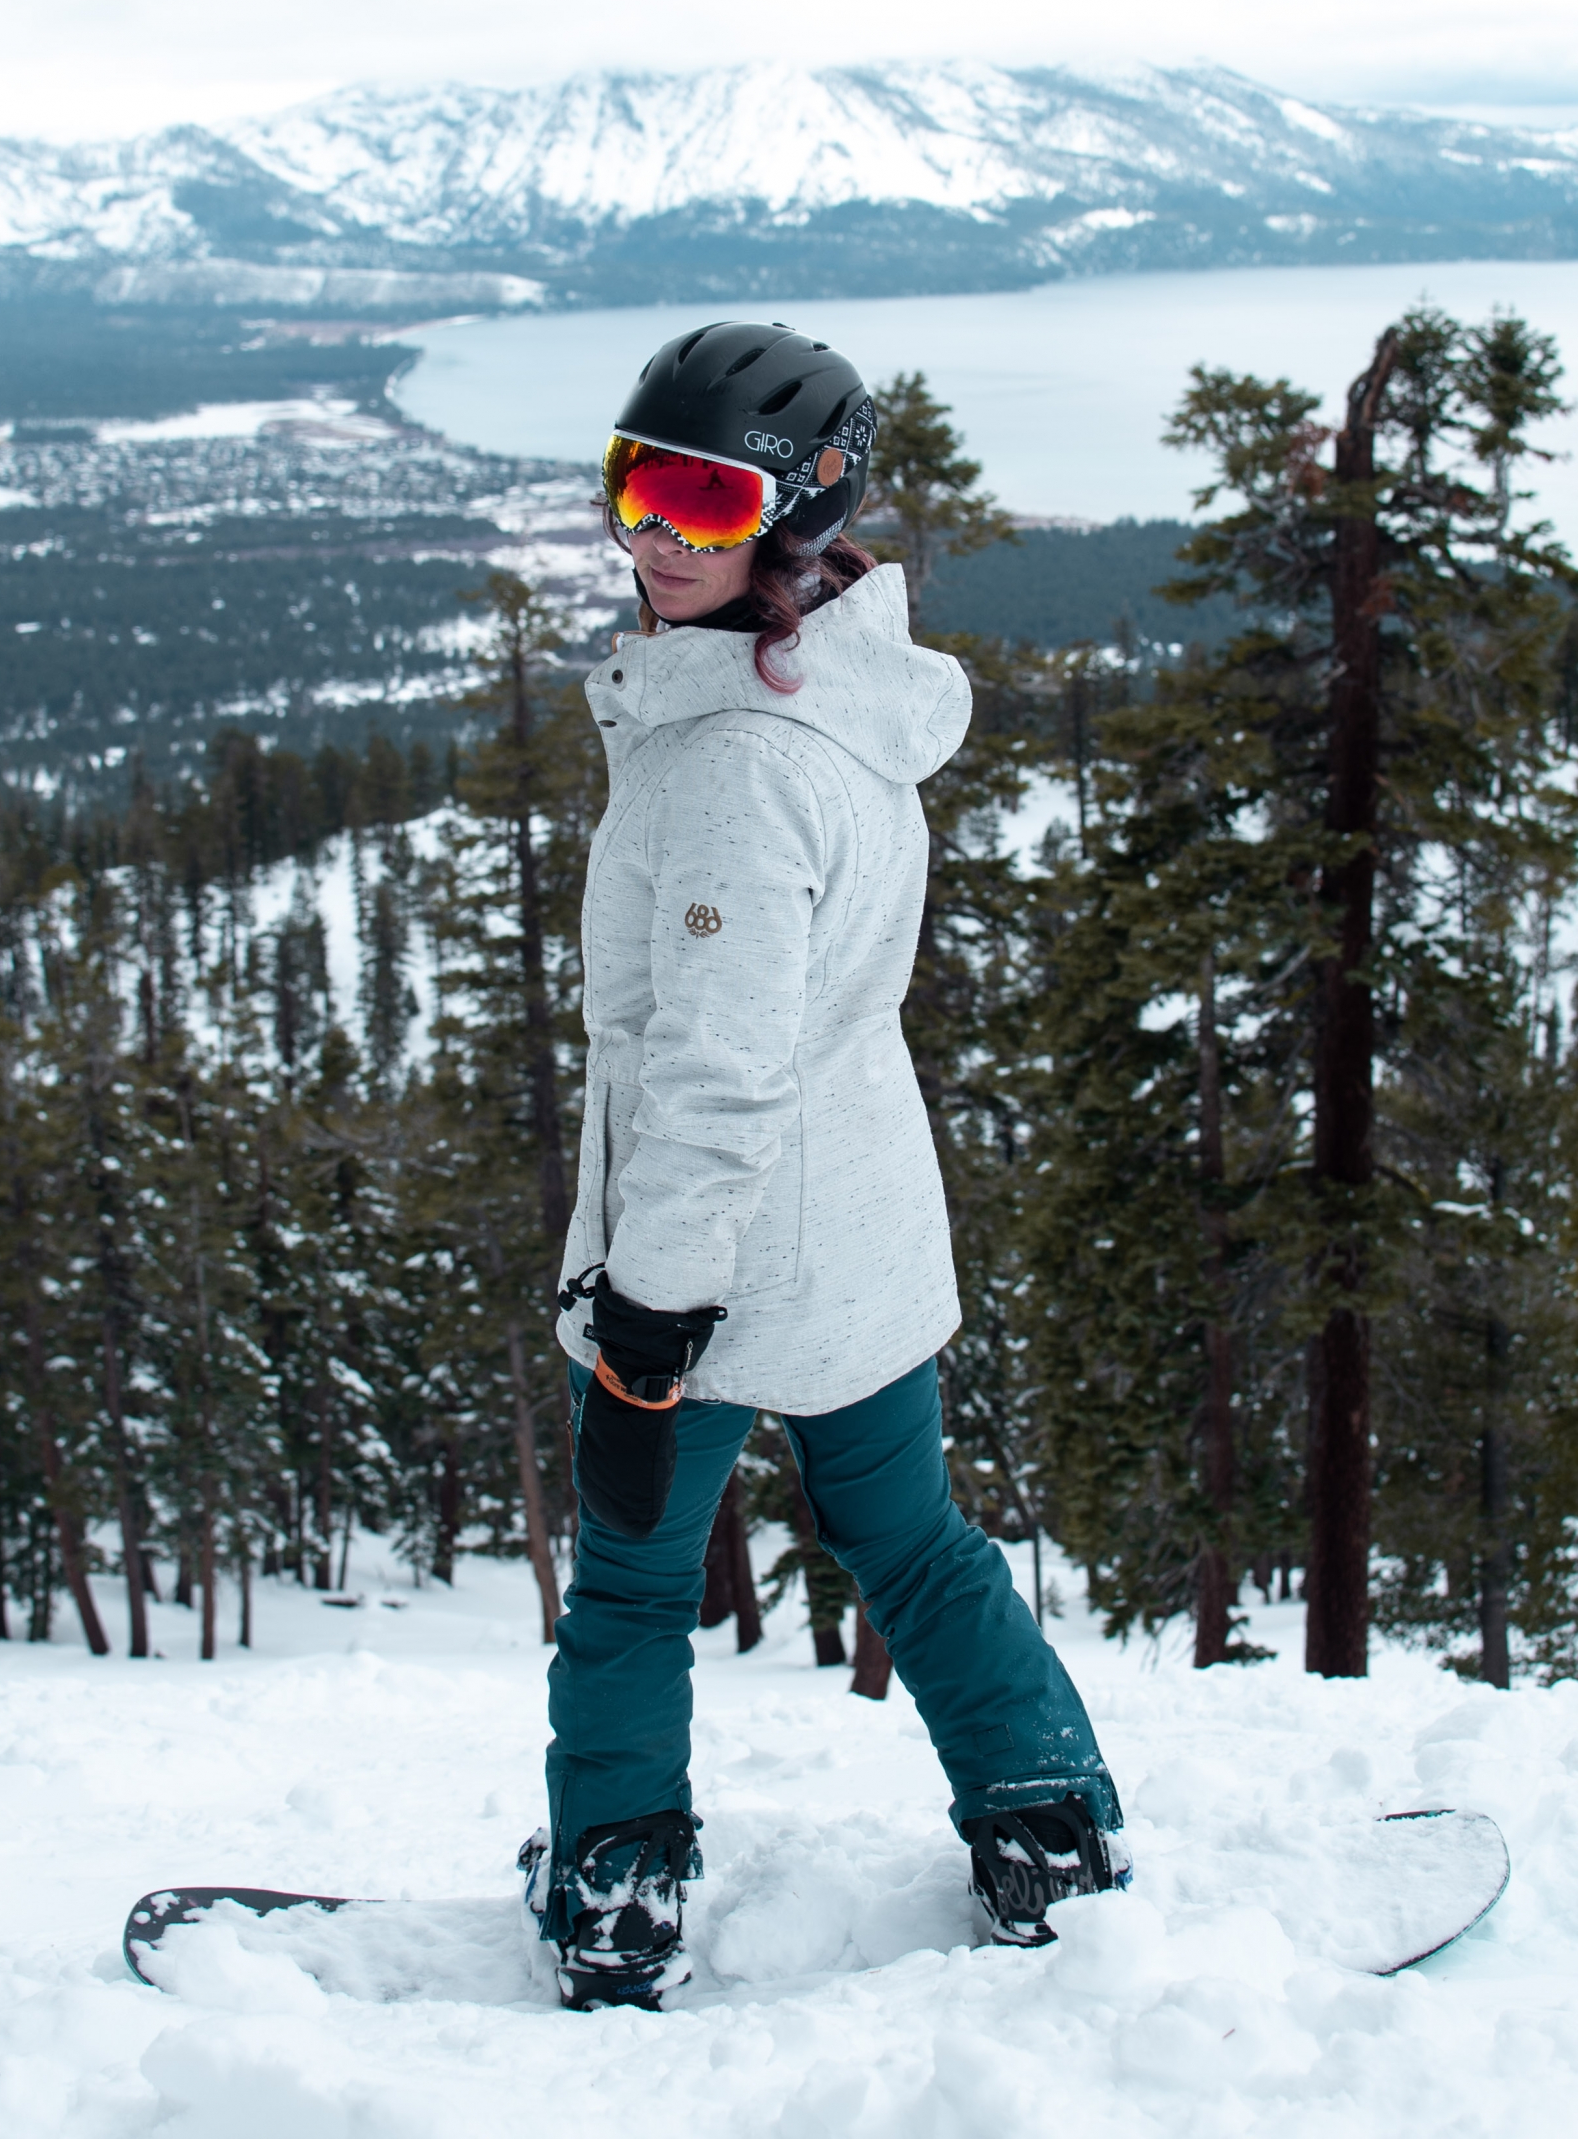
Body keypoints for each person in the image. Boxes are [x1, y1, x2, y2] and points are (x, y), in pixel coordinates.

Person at [523, 321, 1126, 2010]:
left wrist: (653, 1306)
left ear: (796, 517)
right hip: (862, 1235)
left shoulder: (732, 768)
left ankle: (617, 1893)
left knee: (633, 1590)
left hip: (717, 1267)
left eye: (707, 500)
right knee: (917, 1547)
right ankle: (1048, 1831)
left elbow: (716, 1069)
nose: (657, 532)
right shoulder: (847, 689)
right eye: (639, 484)